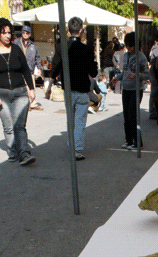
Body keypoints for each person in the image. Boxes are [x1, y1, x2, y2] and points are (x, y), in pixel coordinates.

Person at [47, 16, 98, 161]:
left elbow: (55, 69)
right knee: (80, 121)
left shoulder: (61, 47)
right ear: (81, 30)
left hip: (68, 90)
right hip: (82, 90)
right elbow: (93, 72)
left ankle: (71, 145)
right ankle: (77, 149)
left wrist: (49, 87)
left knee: (70, 120)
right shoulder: (87, 49)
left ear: (68, 30)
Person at [0, 18, 36, 165]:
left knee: (19, 125)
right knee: (8, 126)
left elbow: (26, 70)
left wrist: (32, 89)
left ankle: (24, 153)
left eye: (9, 32)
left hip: (20, 92)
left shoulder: (16, 49)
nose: (8, 35)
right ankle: (13, 152)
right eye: (4, 33)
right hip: (2, 94)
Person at [113, 32, 150, 150]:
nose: (129, 48)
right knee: (126, 116)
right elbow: (124, 71)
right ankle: (128, 140)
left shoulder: (142, 57)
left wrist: (136, 75)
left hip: (136, 89)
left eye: (131, 46)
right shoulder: (126, 56)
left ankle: (137, 141)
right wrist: (117, 78)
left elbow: (147, 74)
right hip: (126, 89)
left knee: (132, 116)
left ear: (136, 45)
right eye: (127, 46)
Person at [14, 25, 43, 111]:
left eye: (27, 32)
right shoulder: (16, 42)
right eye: (23, 32)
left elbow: (37, 57)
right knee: (21, 88)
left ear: (30, 34)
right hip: (18, 69)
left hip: (29, 69)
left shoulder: (33, 45)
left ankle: (32, 104)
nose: (25, 34)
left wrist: (39, 68)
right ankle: (24, 104)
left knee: (31, 87)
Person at [148, 37, 158, 120]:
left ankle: (153, 111)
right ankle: (153, 112)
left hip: (153, 72)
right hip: (155, 73)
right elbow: (157, 64)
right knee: (154, 94)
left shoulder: (153, 49)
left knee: (154, 94)